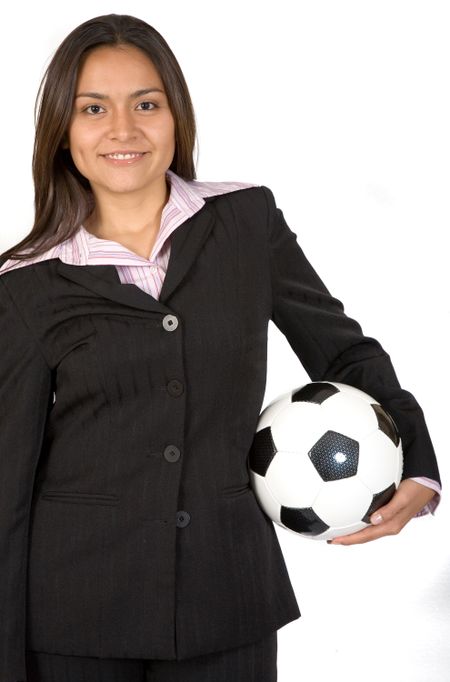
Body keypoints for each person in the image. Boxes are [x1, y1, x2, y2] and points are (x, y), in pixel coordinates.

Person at [0, 12, 441, 682]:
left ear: (176, 116)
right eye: (94, 108)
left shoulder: (245, 222)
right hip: (72, 614)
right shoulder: (27, 282)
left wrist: (419, 468)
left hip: (227, 598)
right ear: (63, 132)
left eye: (146, 103)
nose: (123, 129)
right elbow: (6, 488)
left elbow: (343, 354)